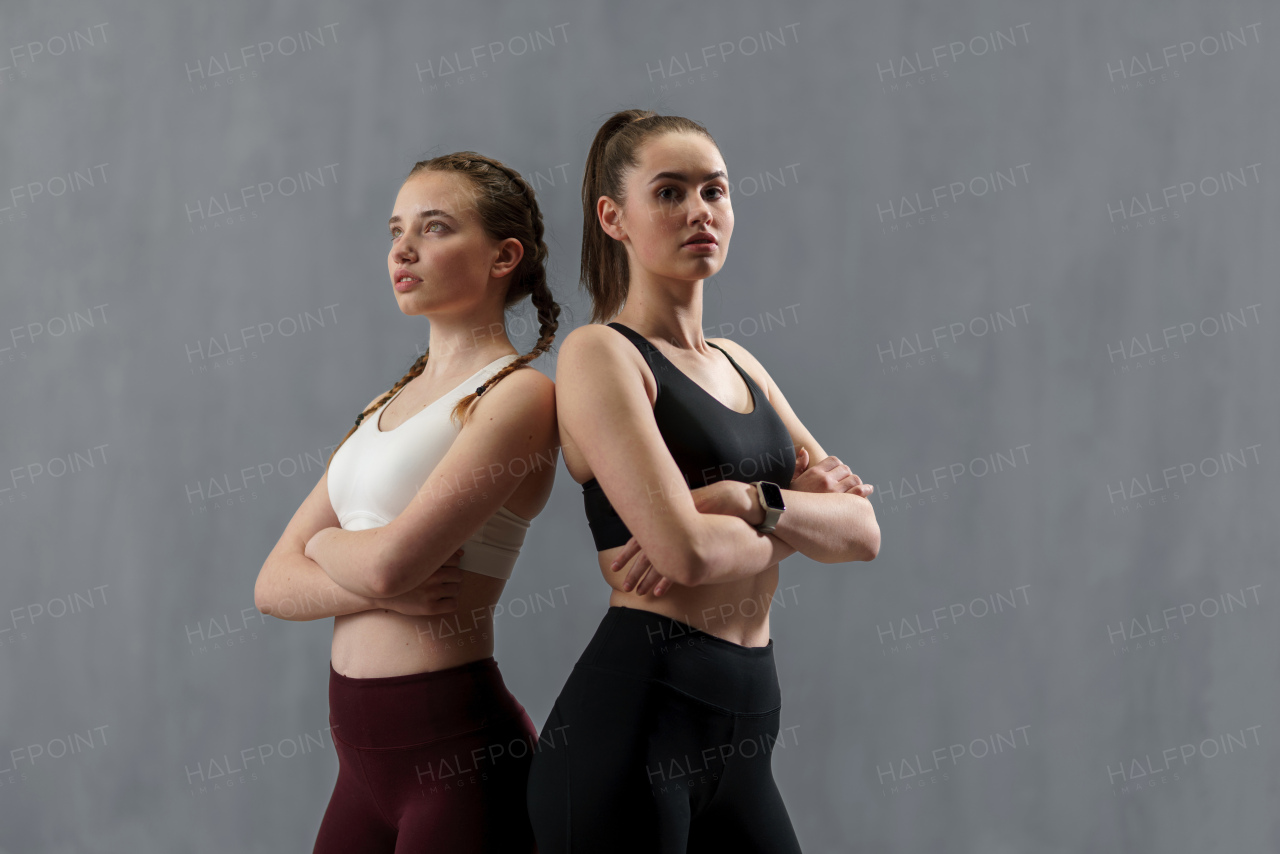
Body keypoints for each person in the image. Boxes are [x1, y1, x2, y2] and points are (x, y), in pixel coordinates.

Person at [525, 109, 881, 852]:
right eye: (669, 192)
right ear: (613, 217)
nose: (699, 212)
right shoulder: (601, 355)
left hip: (748, 727)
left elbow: (863, 534)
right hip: (637, 726)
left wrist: (744, 502)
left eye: (714, 191)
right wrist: (794, 519)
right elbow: (685, 557)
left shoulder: (741, 362)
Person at [254, 151, 560, 853]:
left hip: (457, 758)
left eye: (435, 228)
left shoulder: (518, 397)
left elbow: (391, 565)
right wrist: (380, 588)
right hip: (360, 766)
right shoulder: (381, 406)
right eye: (396, 231)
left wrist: (329, 549)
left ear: (503, 256)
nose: (403, 249)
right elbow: (272, 584)